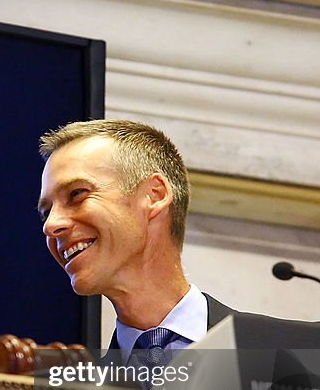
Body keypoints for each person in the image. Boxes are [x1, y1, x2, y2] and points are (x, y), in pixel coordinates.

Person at [37, 119, 237, 359]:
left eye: (77, 194)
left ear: (154, 195)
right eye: (46, 212)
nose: (51, 225)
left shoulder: (282, 350)